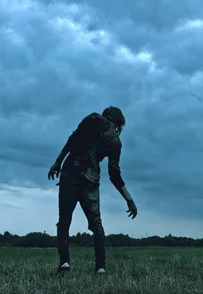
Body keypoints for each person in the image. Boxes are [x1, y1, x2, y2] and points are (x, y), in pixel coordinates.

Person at [48, 106, 137, 276]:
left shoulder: (92, 118)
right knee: (96, 224)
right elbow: (114, 174)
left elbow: (72, 140)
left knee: (64, 221)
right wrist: (129, 199)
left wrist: (58, 162)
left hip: (70, 174)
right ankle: (100, 267)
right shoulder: (116, 141)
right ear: (118, 123)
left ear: (106, 115)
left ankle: (64, 264)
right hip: (91, 179)